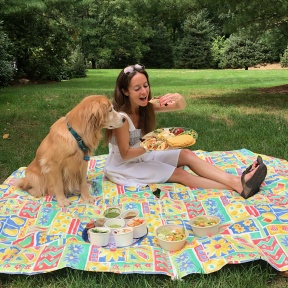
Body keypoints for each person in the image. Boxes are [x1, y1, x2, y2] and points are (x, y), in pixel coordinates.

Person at [103, 64, 267, 199]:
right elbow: (125, 154)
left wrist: (178, 97)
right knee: (180, 174)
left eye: (145, 86)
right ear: (125, 92)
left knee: (187, 154)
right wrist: (155, 144)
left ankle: (237, 181)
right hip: (125, 165)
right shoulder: (122, 118)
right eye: (137, 88)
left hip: (143, 155)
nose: (144, 92)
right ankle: (238, 186)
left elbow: (180, 106)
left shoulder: (146, 107)